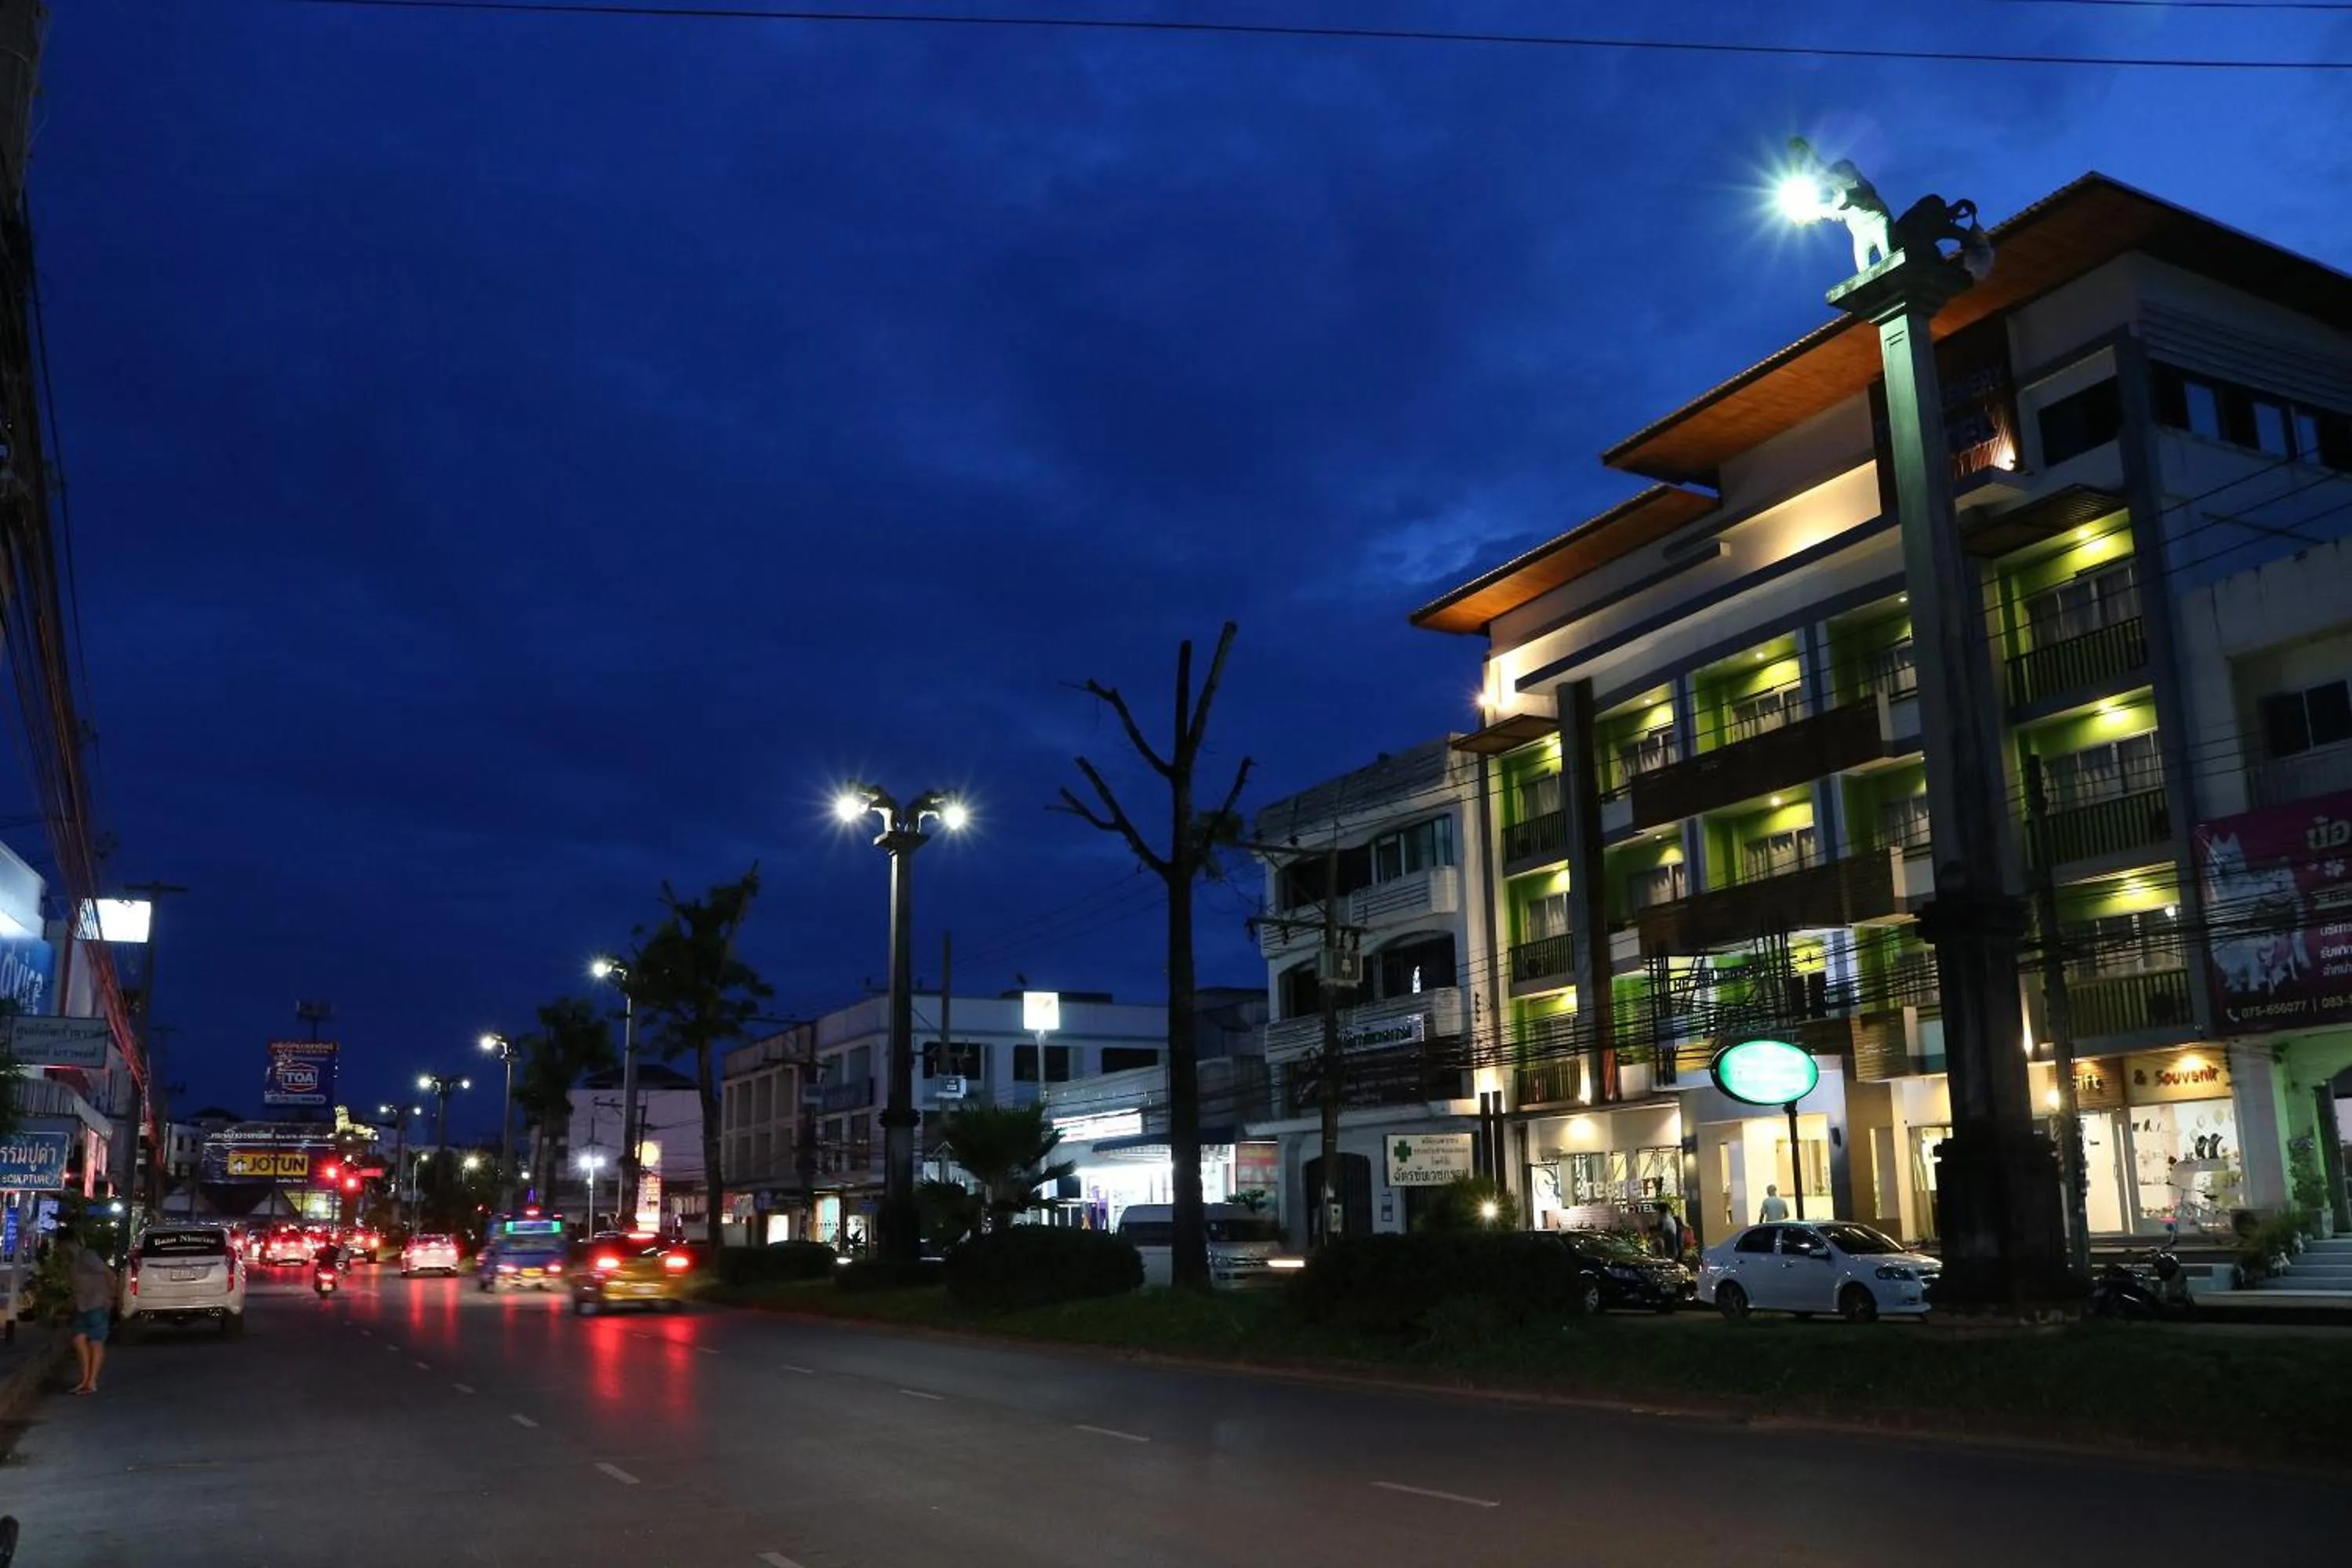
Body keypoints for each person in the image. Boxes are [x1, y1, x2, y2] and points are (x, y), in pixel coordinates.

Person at [60, 1224, 115, 1396]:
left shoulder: (87, 1256)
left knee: (95, 1341)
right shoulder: (74, 1262)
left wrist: (112, 1297)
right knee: (79, 1339)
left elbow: (109, 1274)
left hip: (97, 1304)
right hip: (83, 1306)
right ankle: (85, 1379)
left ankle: (91, 1382)